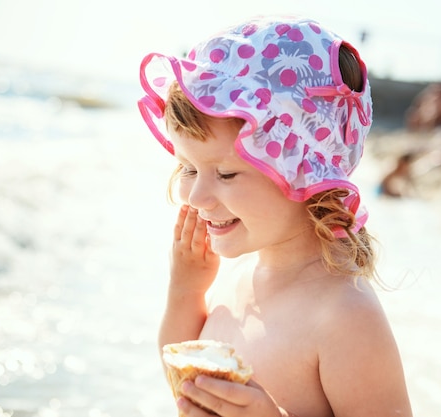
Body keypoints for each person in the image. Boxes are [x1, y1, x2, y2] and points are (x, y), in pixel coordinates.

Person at [138, 15, 412, 417]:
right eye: (188, 169)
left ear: (304, 172)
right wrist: (185, 291)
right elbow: (184, 388)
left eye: (227, 173)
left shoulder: (344, 317)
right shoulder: (236, 278)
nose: (195, 196)